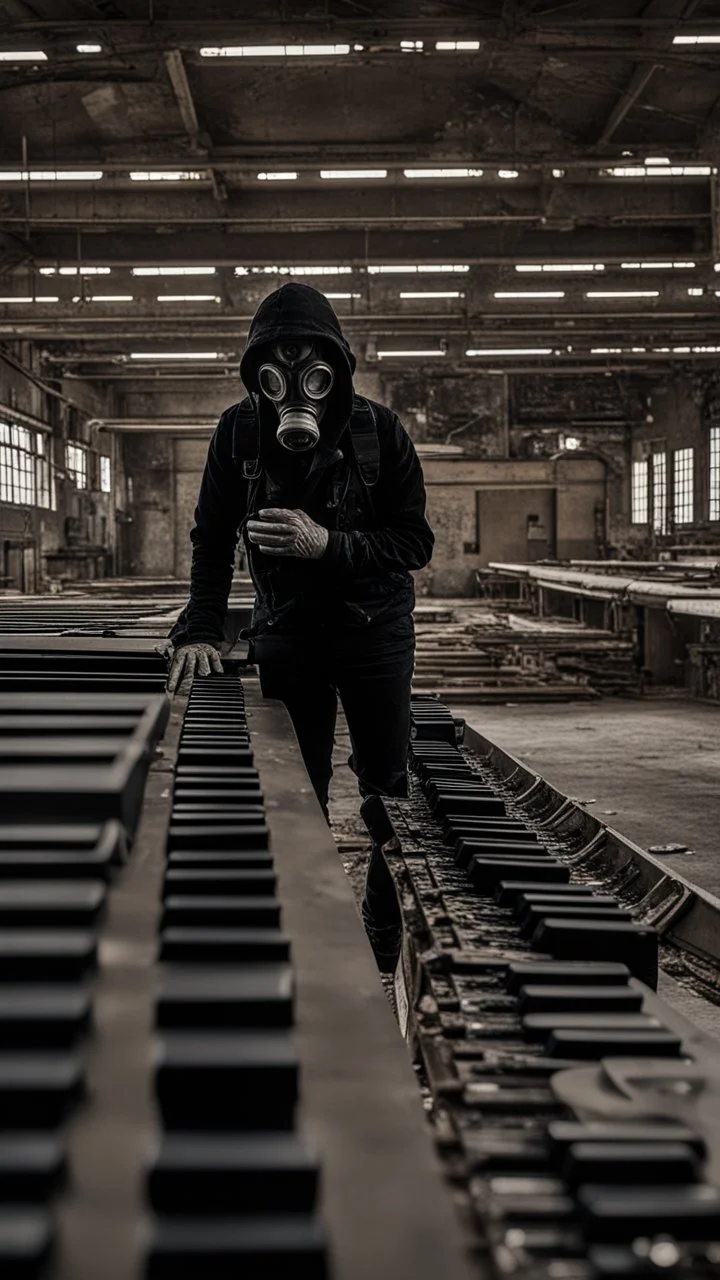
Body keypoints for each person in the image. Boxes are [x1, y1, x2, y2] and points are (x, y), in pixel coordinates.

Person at [166, 282, 434, 970]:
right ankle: (311, 940)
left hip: (375, 629)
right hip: (288, 629)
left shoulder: (382, 433)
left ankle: (380, 923)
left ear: (336, 371)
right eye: (276, 373)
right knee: (293, 793)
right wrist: (199, 628)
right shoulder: (240, 430)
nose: (295, 393)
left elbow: (414, 543)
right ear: (258, 373)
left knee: (388, 787)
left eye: (311, 373)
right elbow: (210, 535)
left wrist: (330, 545)